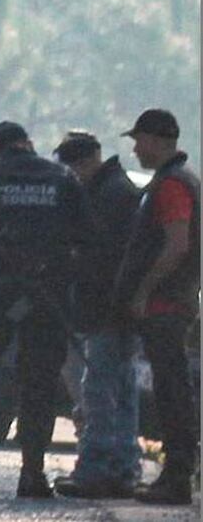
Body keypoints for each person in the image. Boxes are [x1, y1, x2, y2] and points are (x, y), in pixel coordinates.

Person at [0, 121, 93, 499]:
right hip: (47, 295)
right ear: (28, 144)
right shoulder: (64, 177)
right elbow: (86, 239)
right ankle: (32, 473)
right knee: (40, 385)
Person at [50, 130, 143, 499]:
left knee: (99, 391)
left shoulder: (109, 196)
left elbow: (98, 255)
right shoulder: (115, 190)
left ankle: (98, 468)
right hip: (115, 306)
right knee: (120, 389)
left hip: (107, 306)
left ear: (85, 162)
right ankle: (123, 466)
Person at [113, 109, 200, 505]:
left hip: (166, 305)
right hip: (172, 301)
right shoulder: (177, 181)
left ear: (159, 140)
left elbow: (176, 245)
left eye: (139, 140)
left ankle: (178, 476)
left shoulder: (170, 186)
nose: (135, 148)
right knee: (171, 390)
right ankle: (176, 473)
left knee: (171, 392)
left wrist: (143, 290)